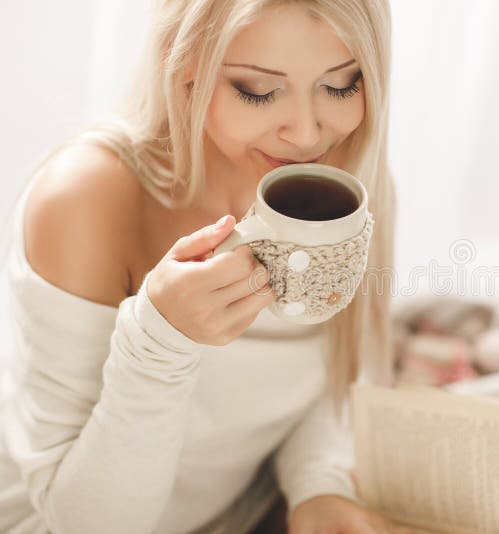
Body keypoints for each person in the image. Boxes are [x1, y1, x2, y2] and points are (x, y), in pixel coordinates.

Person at [0, 0, 404, 532]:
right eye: (257, 91)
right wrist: (159, 345)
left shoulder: (345, 185)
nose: (307, 134)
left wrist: (317, 486)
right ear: (184, 64)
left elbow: (337, 371)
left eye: (341, 85)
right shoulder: (87, 197)